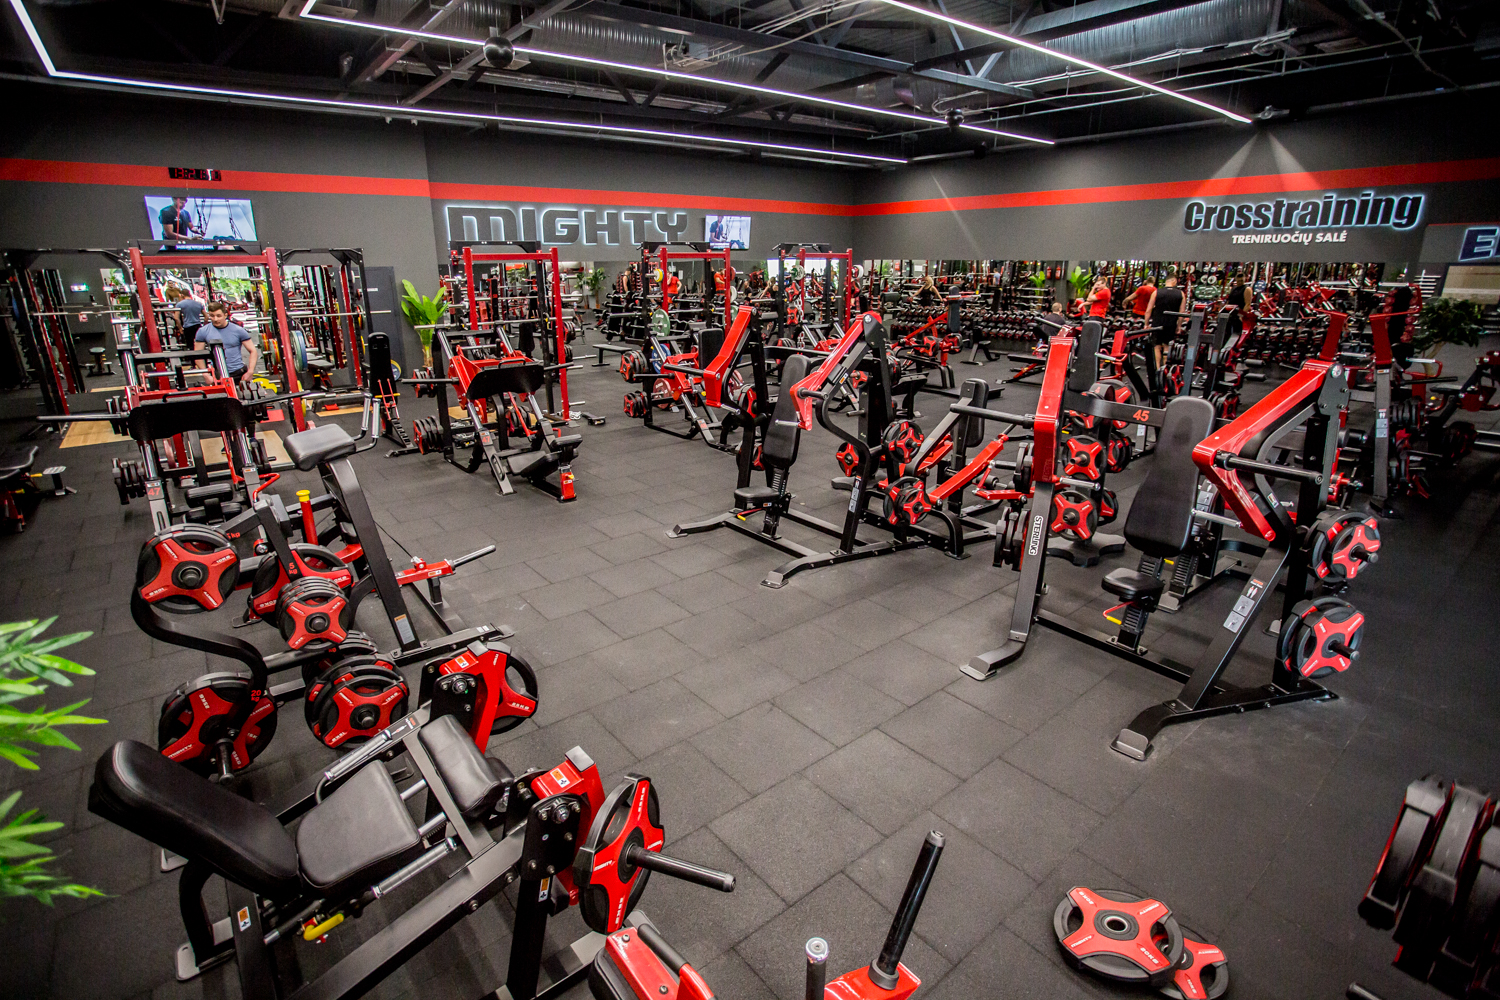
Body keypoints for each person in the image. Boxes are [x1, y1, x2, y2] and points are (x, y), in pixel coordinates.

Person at [196, 300, 259, 386]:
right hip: (217, 374)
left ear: (225, 315)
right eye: (212, 316)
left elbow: (253, 351)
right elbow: (198, 355)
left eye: (219, 316)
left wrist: (250, 371)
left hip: (237, 373)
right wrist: (205, 374)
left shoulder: (238, 330)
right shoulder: (203, 331)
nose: (215, 319)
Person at [1144, 275, 1185, 370]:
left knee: (1157, 346)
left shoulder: (1156, 292)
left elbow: (1148, 310)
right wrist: (1179, 326)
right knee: (1167, 345)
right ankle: (1165, 369)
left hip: (1157, 323)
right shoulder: (1181, 294)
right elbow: (1182, 312)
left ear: (1166, 282)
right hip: (1171, 323)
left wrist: (1146, 324)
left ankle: (1157, 369)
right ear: (1174, 281)